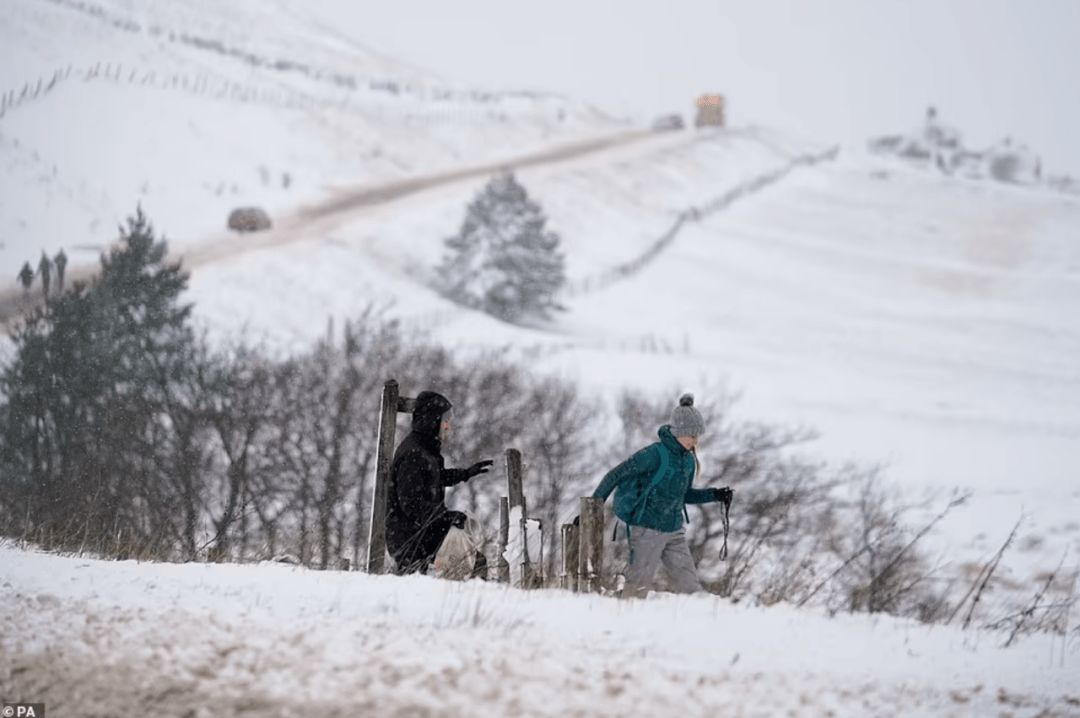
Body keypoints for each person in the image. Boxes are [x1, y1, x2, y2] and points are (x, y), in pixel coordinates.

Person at [592, 393, 733, 598]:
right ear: (679, 432)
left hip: (674, 531)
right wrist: (594, 506)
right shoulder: (654, 454)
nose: (695, 441)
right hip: (647, 529)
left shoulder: (688, 461)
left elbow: (683, 495)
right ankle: (617, 619)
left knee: (692, 591)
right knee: (636, 591)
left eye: (697, 436)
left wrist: (716, 495)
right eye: (692, 435)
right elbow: (616, 474)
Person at [386, 390, 494, 576]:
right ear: (431, 420)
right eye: (444, 420)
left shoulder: (424, 450)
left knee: (473, 566)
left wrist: (466, 473)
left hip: (424, 535)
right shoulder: (414, 454)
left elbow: (434, 478)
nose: (447, 426)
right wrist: (445, 518)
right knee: (471, 569)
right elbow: (412, 504)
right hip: (411, 541)